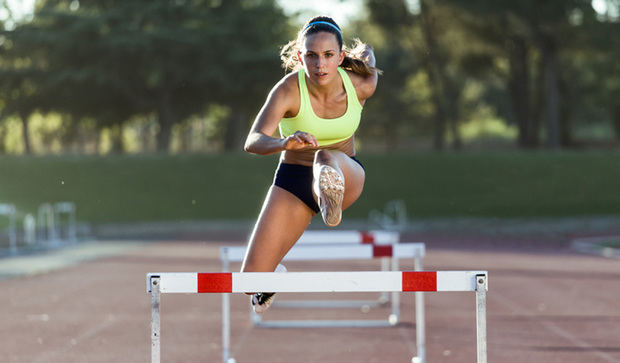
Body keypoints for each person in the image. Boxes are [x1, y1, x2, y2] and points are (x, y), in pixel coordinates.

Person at [241, 16, 380, 313]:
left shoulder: (359, 86)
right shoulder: (288, 90)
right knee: (249, 282)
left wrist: (368, 52)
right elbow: (253, 140)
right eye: (312, 56)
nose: (320, 65)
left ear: (341, 57)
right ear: (299, 56)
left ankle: (331, 196)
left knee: (324, 156)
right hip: (294, 180)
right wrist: (284, 142)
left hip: (345, 173)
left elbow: (371, 69)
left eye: (329, 56)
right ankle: (271, 279)